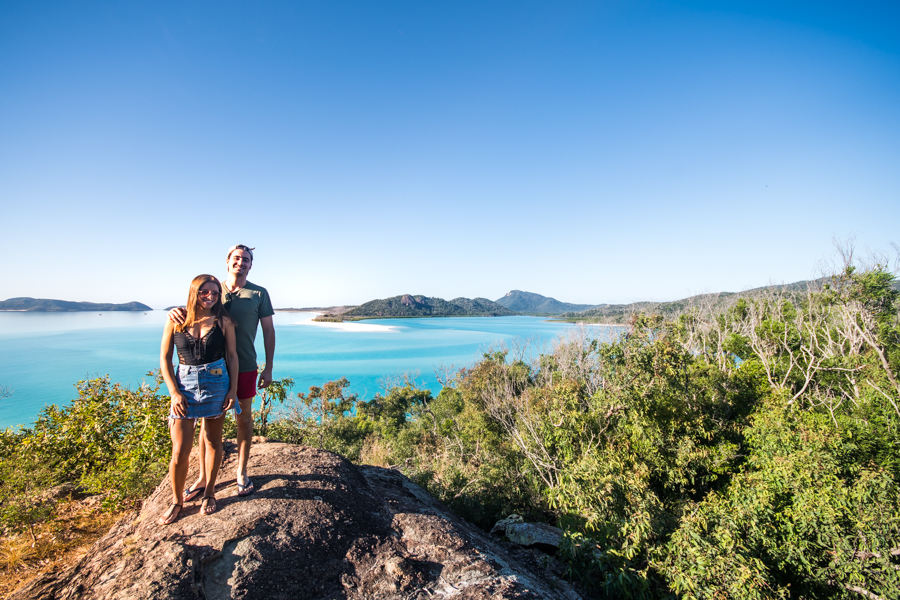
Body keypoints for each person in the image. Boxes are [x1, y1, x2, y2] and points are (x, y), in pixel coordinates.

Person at [169, 244, 275, 499]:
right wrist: (177, 311)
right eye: (236, 258)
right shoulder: (214, 289)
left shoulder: (259, 294)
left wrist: (269, 367)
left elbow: (269, 331)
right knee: (207, 423)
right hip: (210, 368)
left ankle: (241, 471)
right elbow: (194, 309)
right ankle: (204, 477)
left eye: (246, 259)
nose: (241, 262)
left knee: (244, 417)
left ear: (251, 265)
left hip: (245, 364)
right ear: (227, 261)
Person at [158, 275, 239, 525]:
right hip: (185, 386)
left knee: (214, 442)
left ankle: (210, 493)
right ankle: (176, 501)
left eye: (215, 293)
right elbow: (164, 359)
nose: (211, 297)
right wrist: (174, 392)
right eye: (205, 292)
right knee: (180, 450)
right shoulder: (176, 320)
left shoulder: (223, 320)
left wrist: (232, 391)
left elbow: (233, 356)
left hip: (217, 383)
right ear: (195, 292)